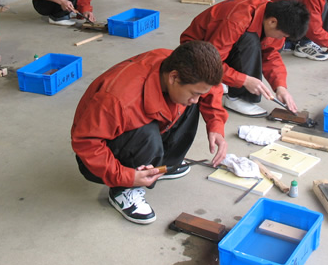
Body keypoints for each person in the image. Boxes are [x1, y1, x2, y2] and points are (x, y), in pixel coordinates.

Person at [71, 41, 227, 225]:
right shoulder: (117, 100)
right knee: (147, 135)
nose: (197, 98)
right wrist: (126, 177)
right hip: (95, 156)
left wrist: (216, 125)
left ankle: (161, 167)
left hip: (138, 121)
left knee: (189, 104)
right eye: (195, 92)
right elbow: (86, 143)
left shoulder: (181, 66)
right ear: (174, 78)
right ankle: (123, 190)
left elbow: (210, 90)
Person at [180, 0, 309, 117]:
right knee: (250, 40)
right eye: (283, 35)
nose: (282, 39)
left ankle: (223, 82)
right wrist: (244, 81)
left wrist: (280, 87)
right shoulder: (237, 21)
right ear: (272, 22)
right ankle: (236, 97)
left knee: (253, 41)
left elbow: (271, 55)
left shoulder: (271, 17)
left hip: (220, 50)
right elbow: (211, 63)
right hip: (196, 52)